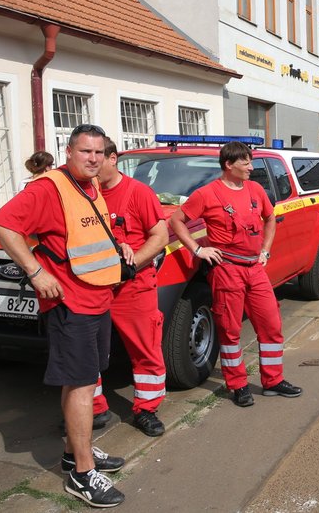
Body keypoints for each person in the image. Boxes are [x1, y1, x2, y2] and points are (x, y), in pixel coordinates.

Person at [0, 124, 126, 508]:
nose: (93, 159)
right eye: (85, 152)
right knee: (81, 385)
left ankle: (73, 451)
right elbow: (2, 223)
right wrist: (35, 271)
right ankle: (82, 475)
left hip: (96, 298)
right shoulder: (49, 187)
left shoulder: (90, 185)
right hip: (71, 303)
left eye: (99, 152)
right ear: (69, 151)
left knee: (83, 380)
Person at [167, 141, 301, 408]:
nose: (251, 167)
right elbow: (176, 221)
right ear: (229, 165)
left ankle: (273, 380)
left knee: (271, 325)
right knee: (230, 331)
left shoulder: (255, 189)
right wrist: (197, 249)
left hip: (254, 268)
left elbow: (270, 217)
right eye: (246, 163)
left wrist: (265, 250)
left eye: (250, 162)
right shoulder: (207, 194)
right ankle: (238, 385)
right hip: (227, 270)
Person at [94, 137, 169, 437]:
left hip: (133, 286)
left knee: (145, 347)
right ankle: (93, 407)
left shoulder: (139, 193)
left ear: (113, 159)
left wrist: (132, 264)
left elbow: (160, 236)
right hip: (94, 287)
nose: (92, 165)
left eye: (99, 158)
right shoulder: (85, 193)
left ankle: (147, 409)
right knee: (87, 350)